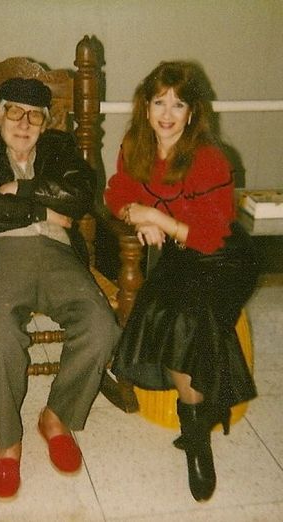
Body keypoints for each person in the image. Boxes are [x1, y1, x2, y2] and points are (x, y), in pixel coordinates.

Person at [0, 77, 120, 499]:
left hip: (57, 252)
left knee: (101, 325)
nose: (24, 123)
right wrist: (43, 209)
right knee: (1, 334)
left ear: (46, 123)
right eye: (14, 111)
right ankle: (8, 440)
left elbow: (79, 193)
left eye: (35, 115)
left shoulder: (60, 148)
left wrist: (19, 189)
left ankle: (57, 415)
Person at [105, 61, 259, 502]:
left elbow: (212, 237)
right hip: (179, 257)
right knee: (168, 313)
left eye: (178, 103)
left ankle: (196, 444)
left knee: (193, 316)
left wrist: (156, 217)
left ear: (192, 112)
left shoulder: (209, 157)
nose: (167, 113)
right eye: (159, 102)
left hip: (224, 257)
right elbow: (117, 190)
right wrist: (133, 214)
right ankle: (197, 426)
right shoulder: (135, 145)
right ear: (146, 107)